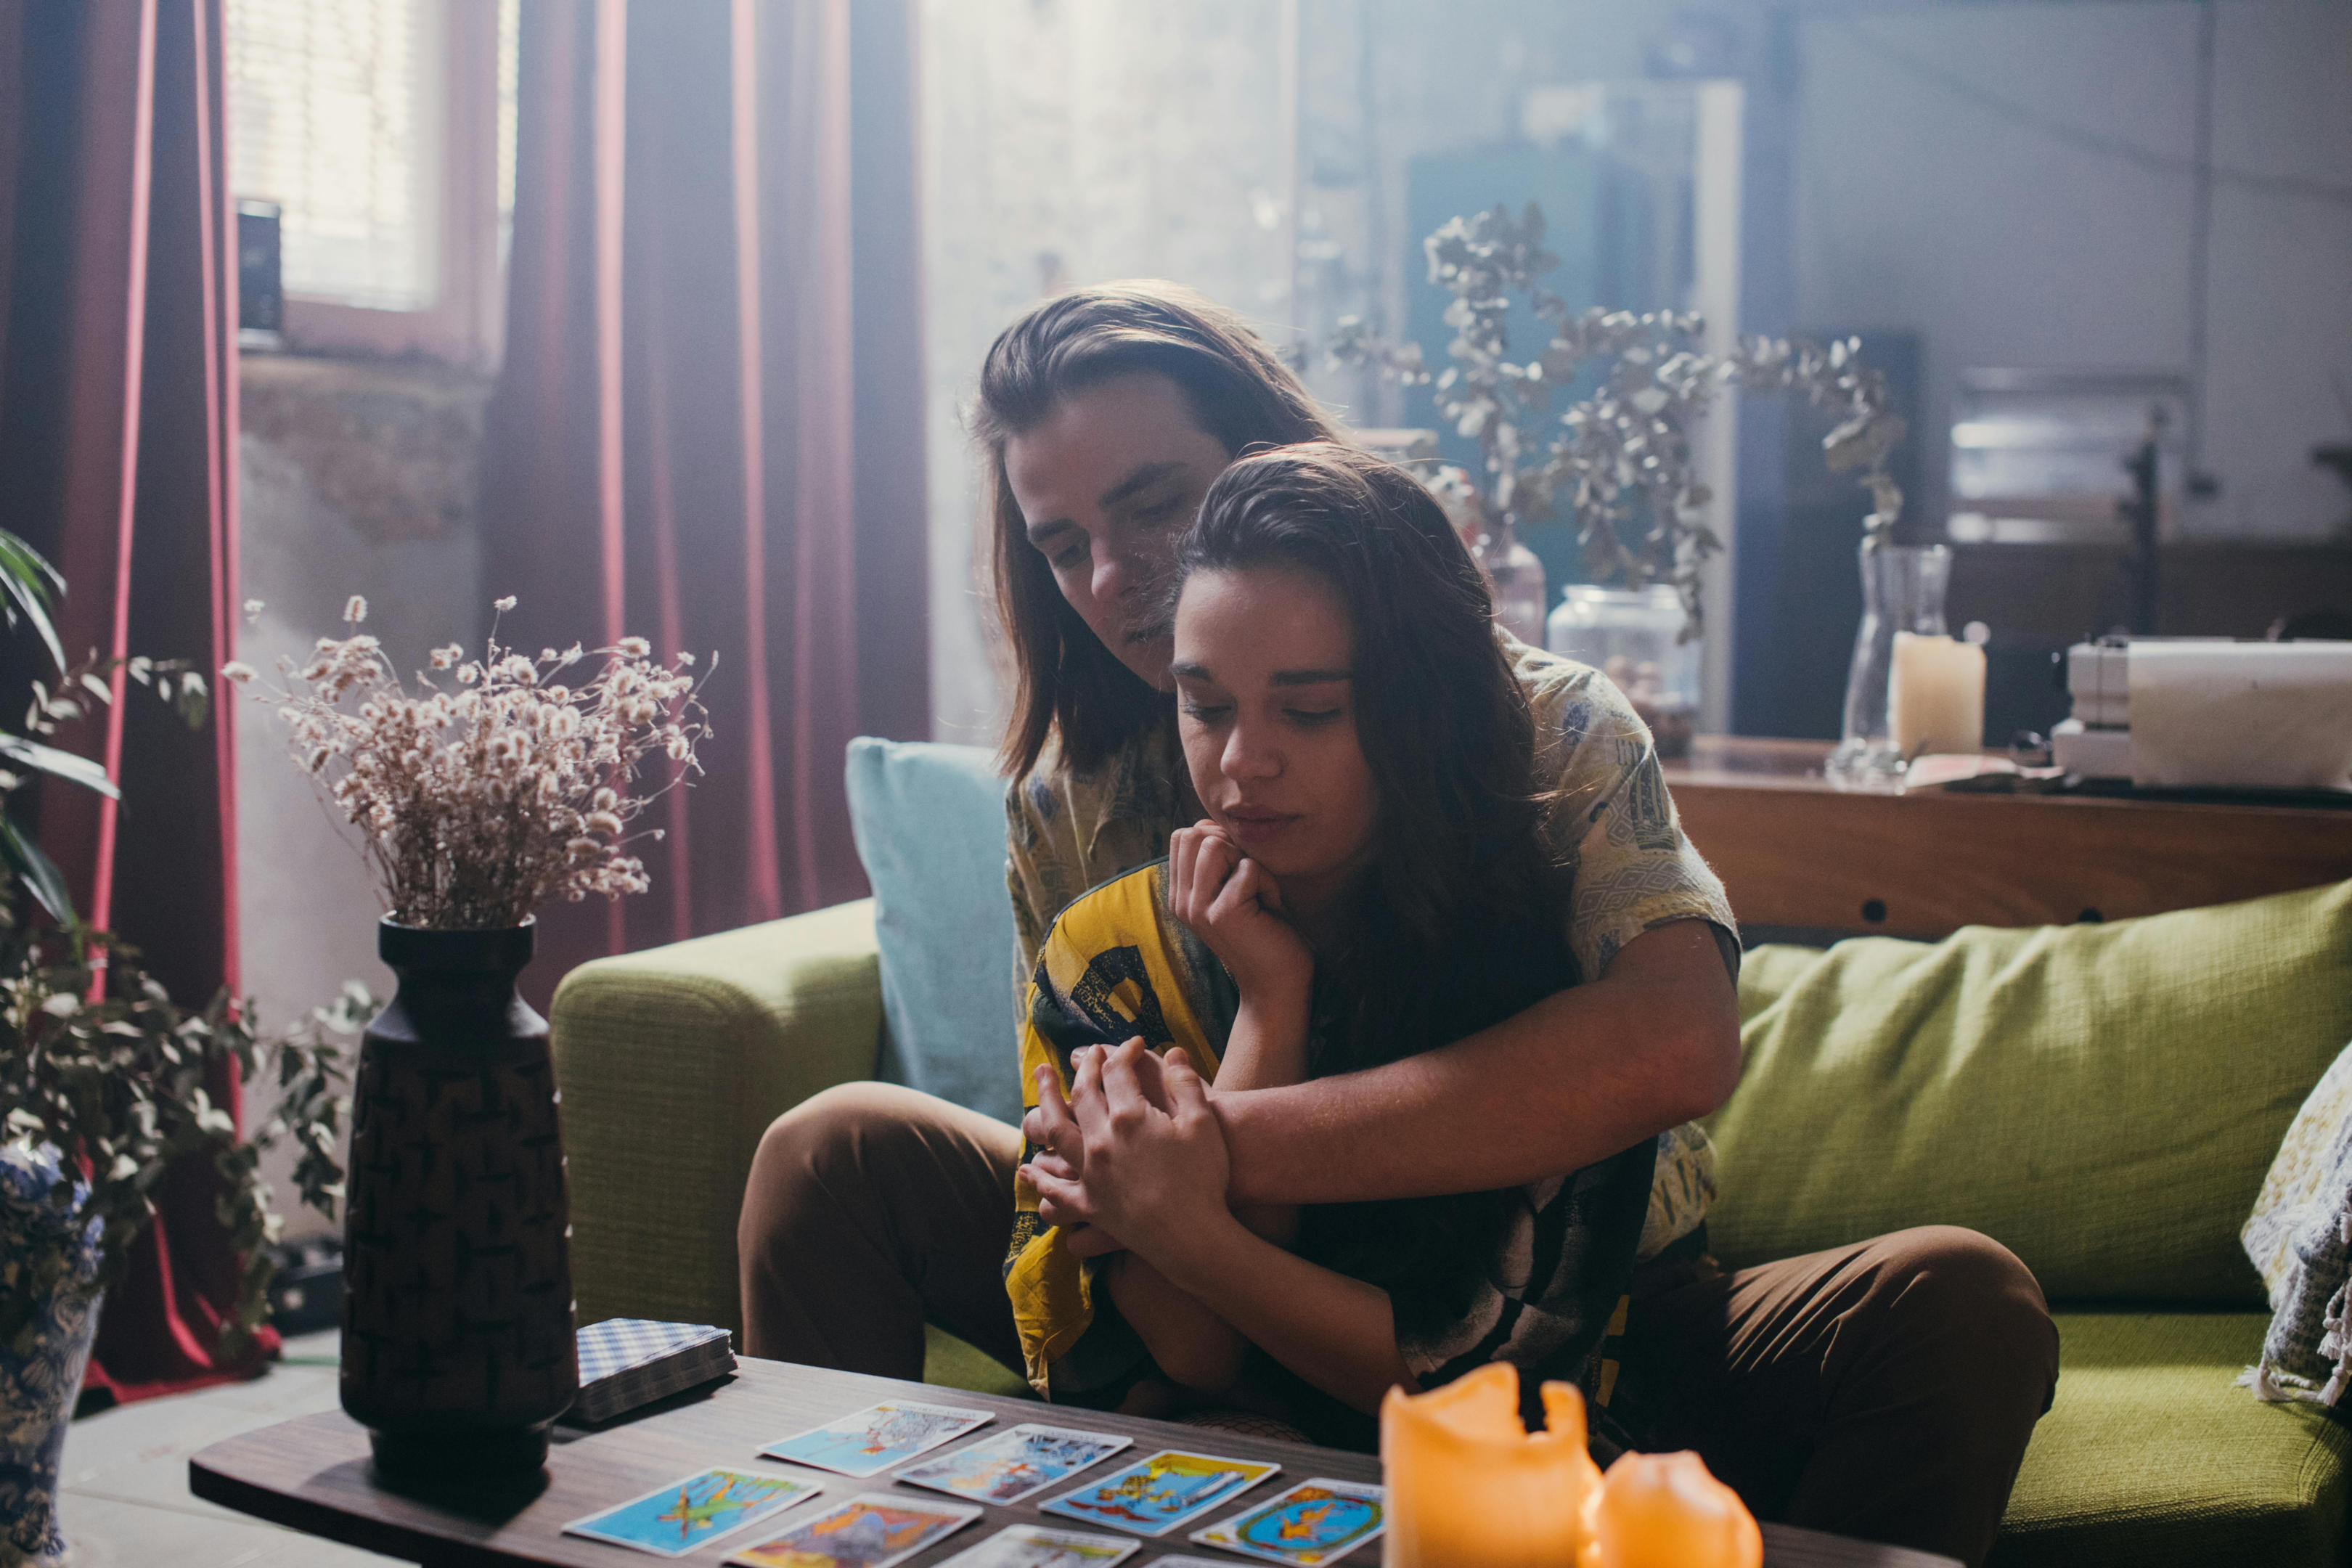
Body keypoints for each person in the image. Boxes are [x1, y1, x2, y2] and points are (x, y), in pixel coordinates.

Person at [738, 281, 2058, 1567]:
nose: (1111, 577)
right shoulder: (1066, 808)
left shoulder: (1549, 727)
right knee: (836, 1154)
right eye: (1061, 543)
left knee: (1956, 1303)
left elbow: (1668, 1043)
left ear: (1278, 467)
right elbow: (1109, 1191)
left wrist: (1197, 1160)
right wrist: (1173, 1233)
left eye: (1151, 507)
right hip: (1184, 1295)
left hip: (1580, 1318)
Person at [1003, 443, 1657, 1453]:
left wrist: (1183, 1223)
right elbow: (1194, 1352)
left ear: (1421, 712)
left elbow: (1482, 1391)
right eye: (1204, 707)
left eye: (1309, 712)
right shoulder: (1110, 951)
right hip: (1204, 1443)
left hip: (1485, 1470)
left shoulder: (1552, 959)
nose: (1240, 764)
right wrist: (1271, 998)